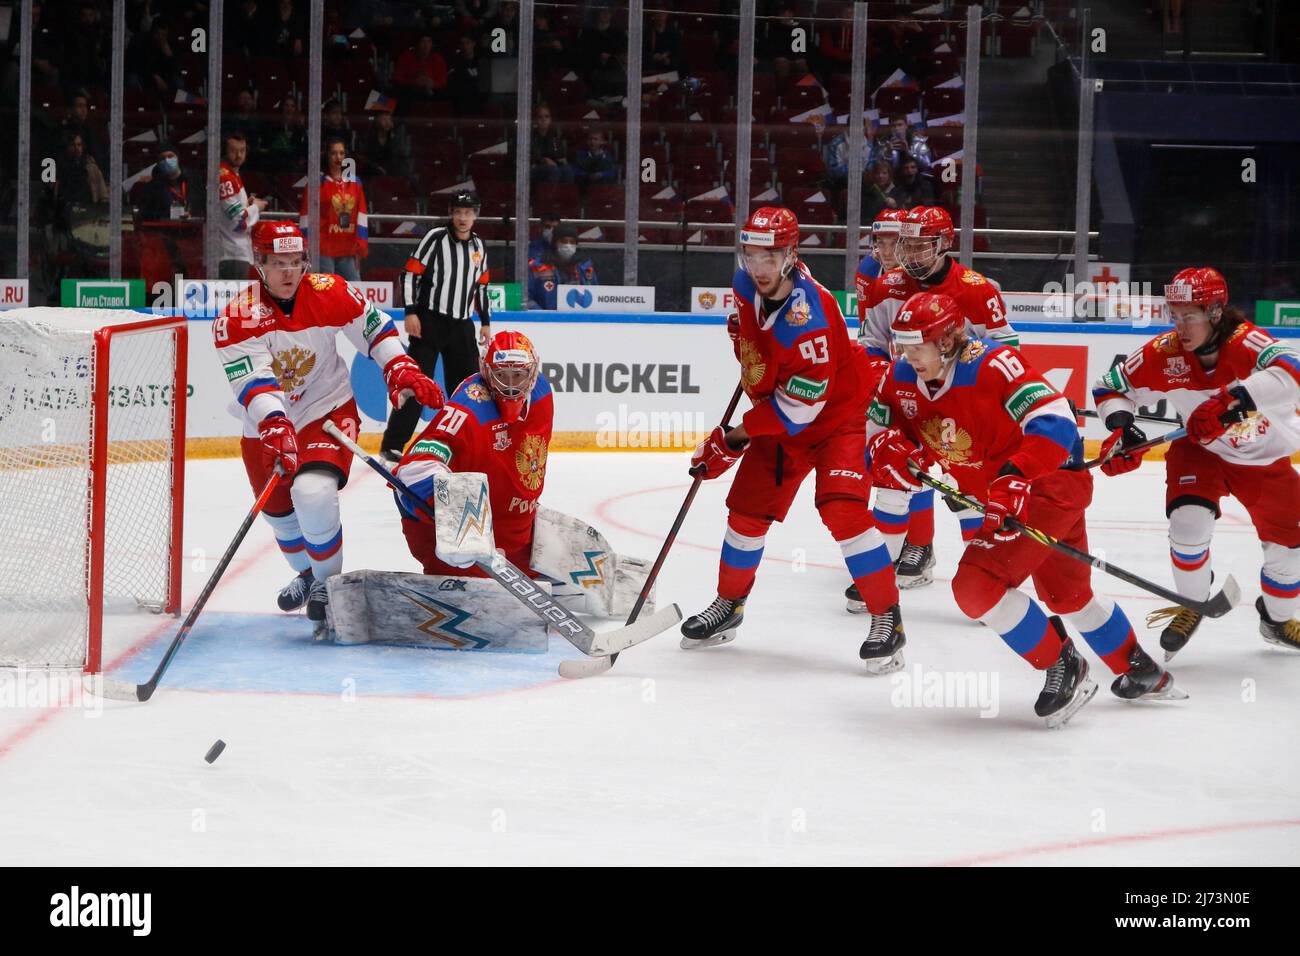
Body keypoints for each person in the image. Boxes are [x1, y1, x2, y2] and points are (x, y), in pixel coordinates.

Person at [868, 292, 1183, 727]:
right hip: (1007, 497)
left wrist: (1016, 476)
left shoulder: (993, 365)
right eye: (901, 344)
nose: (907, 355)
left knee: (976, 587)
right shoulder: (900, 376)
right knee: (1067, 596)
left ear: (946, 341)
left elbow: (1054, 421)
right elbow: (877, 428)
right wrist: (886, 448)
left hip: (1045, 488)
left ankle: (1063, 665)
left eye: (916, 345)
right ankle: (1140, 670)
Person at [680, 207, 903, 670]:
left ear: (791, 255)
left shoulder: (811, 320)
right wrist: (744, 337)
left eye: (770, 257)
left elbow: (798, 412)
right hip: (781, 416)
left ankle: (888, 619)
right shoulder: (745, 285)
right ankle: (729, 606)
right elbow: (755, 341)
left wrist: (732, 439)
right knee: (746, 514)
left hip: (834, 420)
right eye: (751, 256)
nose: (758, 269)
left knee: (843, 511)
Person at [214, 221, 442, 636]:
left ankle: (327, 584)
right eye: (276, 263)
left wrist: (399, 366)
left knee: (312, 491)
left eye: (294, 263)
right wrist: (274, 421)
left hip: (327, 408)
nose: (287, 273)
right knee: (279, 514)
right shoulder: (236, 318)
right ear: (258, 264)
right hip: (264, 422)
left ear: (306, 262)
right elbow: (254, 382)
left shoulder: (329, 291)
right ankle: (306, 575)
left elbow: (373, 329)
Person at [1092, 267, 1300, 655]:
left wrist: (1231, 400)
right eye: (1175, 314)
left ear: (1217, 312)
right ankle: (1193, 601)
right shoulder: (1163, 353)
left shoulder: (1247, 342)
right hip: (1200, 451)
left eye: (1190, 315)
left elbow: (1294, 370)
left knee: (1289, 553)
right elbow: (1109, 386)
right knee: (1188, 525)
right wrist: (1121, 427)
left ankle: (1276, 619)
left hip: (1266, 462)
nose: (1180, 326)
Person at [849, 205, 1018, 605]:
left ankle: (985, 577)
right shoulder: (886, 285)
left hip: (964, 408)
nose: (910, 254)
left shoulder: (976, 290)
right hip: (910, 401)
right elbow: (872, 343)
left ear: (944, 244)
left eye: (921, 246)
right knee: (892, 480)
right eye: (905, 245)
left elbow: (1007, 351)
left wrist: (972, 385)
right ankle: (879, 578)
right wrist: (880, 380)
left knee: (970, 498)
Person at [394, 330, 553, 576]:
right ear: (486, 372)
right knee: (466, 571)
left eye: (518, 375)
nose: (510, 385)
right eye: (501, 375)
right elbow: (414, 468)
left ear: (532, 373)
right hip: (467, 544)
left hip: (516, 535)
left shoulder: (543, 392)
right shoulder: (470, 406)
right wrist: (464, 525)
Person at [381, 190, 493, 463]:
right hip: (429, 322)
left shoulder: (479, 246)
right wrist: (410, 312)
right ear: (451, 214)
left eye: (468, 213)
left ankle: (466, 443)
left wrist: (486, 322)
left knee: (468, 390)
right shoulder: (435, 239)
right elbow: (409, 274)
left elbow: (482, 287)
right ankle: (392, 444)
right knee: (417, 384)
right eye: (458, 212)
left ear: (475, 215)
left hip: (462, 326)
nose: (463, 218)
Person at [299, 137, 369, 281]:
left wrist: (361, 243)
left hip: (347, 247)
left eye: (342, 153)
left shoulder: (355, 183)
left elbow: (361, 214)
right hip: (324, 248)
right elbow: (306, 215)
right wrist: (305, 244)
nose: (338, 157)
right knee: (327, 289)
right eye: (334, 153)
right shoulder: (316, 183)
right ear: (327, 156)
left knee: (354, 288)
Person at [217, 132, 269, 280]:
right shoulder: (225, 177)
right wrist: (256, 207)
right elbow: (237, 221)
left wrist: (248, 204)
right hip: (232, 253)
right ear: (225, 151)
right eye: (234, 151)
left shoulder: (233, 175)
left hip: (235, 252)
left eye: (242, 150)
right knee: (234, 303)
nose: (239, 155)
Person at [526, 223, 597, 310]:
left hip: (579, 319)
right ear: (555, 243)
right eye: (564, 241)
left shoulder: (585, 266)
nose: (568, 245)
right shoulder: (538, 266)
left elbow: (595, 295)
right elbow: (525, 298)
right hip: (545, 320)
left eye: (572, 242)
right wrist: (543, 315)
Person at [137, 143, 200, 221]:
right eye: (162, 158)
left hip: (194, 229)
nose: (167, 160)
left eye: (170, 156)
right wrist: (168, 215)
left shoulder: (194, 182)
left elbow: (204, 206)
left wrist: (193, 213)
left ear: (177, 158)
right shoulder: (152, 188)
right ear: (158, 163)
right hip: (164, 230)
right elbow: (144, 214)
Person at [358, 109, 412, 179]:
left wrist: (393, 137)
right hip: (372, 173)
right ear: (377, 121)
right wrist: (378, 167)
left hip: (391, 173)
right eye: (384, 119)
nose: (387, 122)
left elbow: (398, 157)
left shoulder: (395, 137)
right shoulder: (368, 137)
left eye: (389, 119)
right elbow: (366, 158)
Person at [393, 34, 448, 100]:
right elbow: (397, 77)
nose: (426, 45)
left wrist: (432, 83)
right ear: (417, 44)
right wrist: (414, 81)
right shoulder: (406, 57)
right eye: (423, 41)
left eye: (429, 41)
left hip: (432, 93)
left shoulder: (437, 59)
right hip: (409, 91)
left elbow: (442, 81)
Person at [530, 105, 573, 184]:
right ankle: (548, 196)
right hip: (534, 167)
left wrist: (562, 159)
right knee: (553, 170)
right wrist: (543, 160)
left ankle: (565, 195)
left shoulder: (554, 136)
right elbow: (530, 156)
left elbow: (560, 154)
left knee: (567, 169)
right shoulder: (530, 135)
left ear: (550, 119)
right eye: (540, 117)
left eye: (547, 117)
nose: (544, 120)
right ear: (535, 120)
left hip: (553, 165)